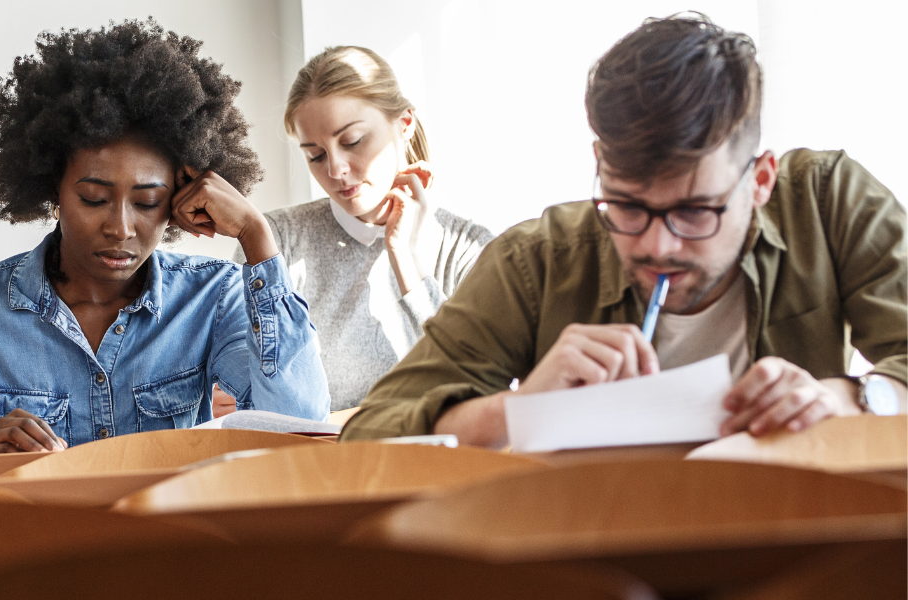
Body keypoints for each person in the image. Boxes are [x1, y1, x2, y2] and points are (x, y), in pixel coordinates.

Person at [343, 14, 905, 447]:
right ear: (598, 162)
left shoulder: (827, 199)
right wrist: (524, 409)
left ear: (759, 179)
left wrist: (853, 396)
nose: (658, 245)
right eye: (627, 206)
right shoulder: (537, 260)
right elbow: (367, 436)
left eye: (695, 212)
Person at [0, 19, 332, 458]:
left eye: (148, 202)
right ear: (52, 191)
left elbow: (300, 431)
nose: (120, 227)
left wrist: (257, 235)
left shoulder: (211, 298)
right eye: (94, 199)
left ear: (179, 198)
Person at [240, 46, 494, 412]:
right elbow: (255, 402)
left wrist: (407, 260)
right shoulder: (277, 240)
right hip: (317, 464)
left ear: (404, 125)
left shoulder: (468, 248)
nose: (336, 170)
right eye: (316, 154)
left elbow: (484, 383)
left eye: (352, 141)